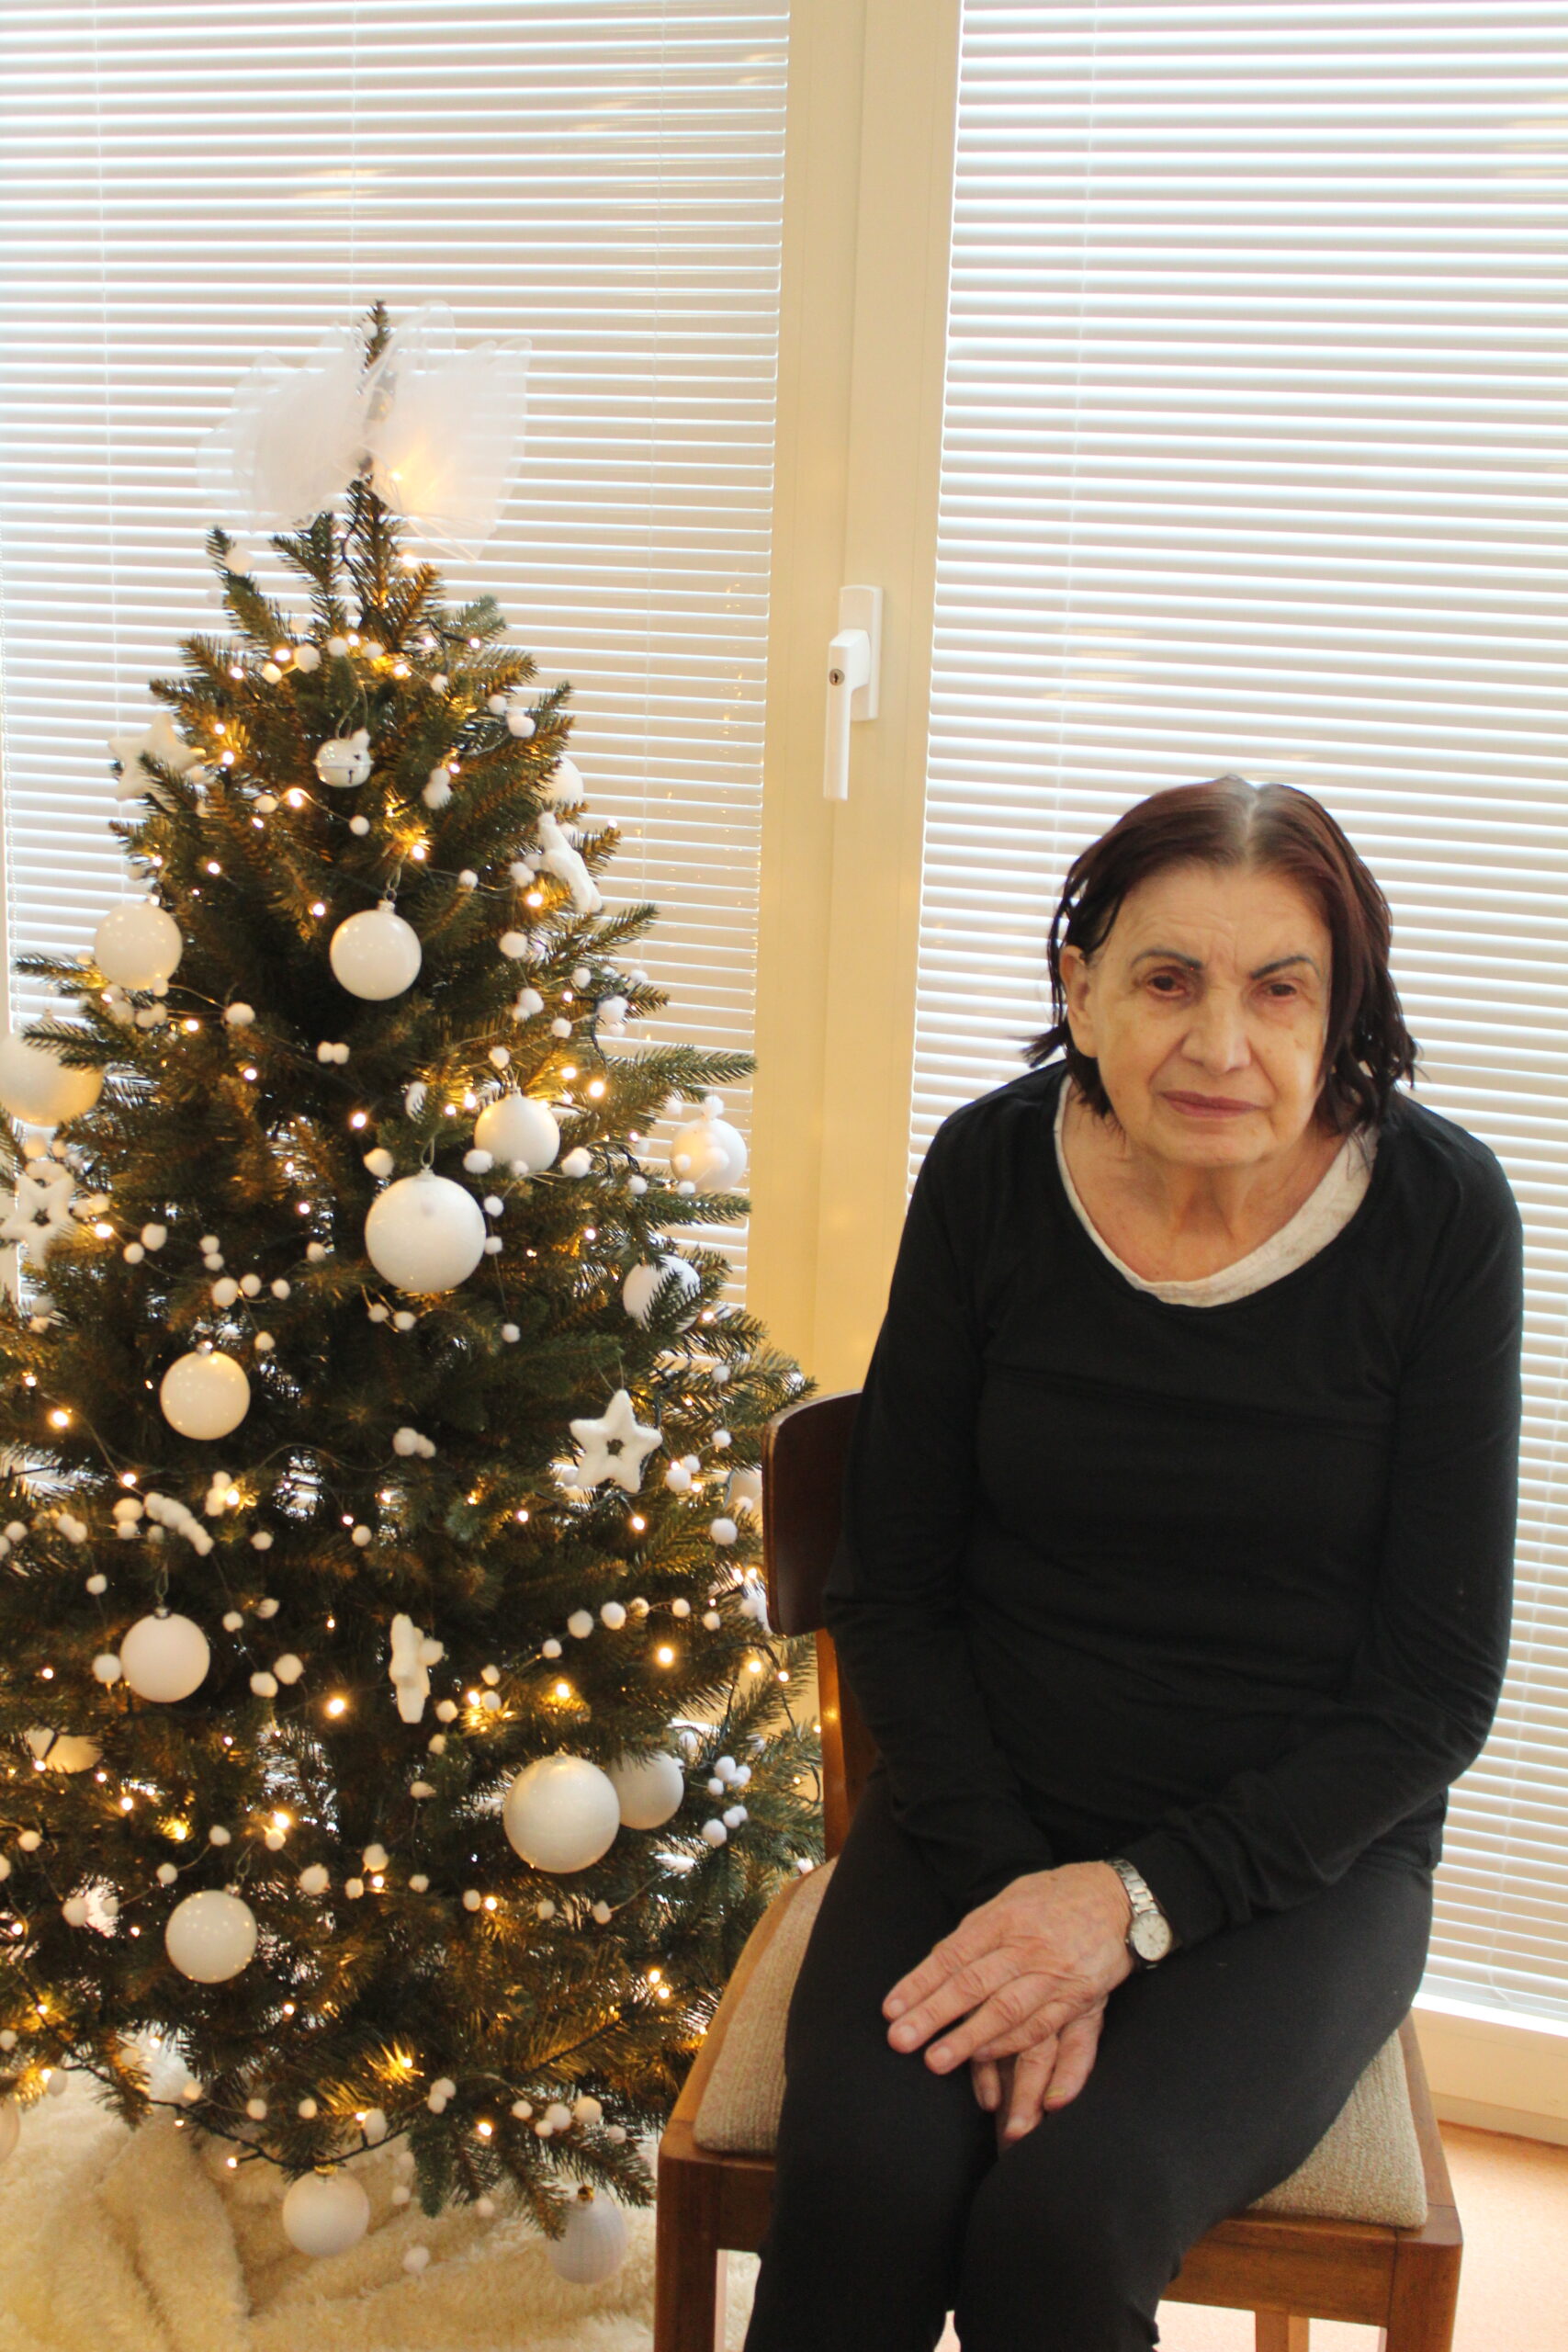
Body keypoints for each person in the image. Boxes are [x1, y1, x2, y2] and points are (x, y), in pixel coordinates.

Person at [741, 774, 1523, 2352]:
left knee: (1063, 2223)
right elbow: (893, 1585)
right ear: (1081, 989)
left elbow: (1433, 1698)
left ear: (1342, 1010)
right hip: (979, 1807)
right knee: (868, 2189)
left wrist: (1132, 1909)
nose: (1221, 1045)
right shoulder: (989, 1170)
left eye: (1279, 989)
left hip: (1298, 1862)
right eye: (1168, 981)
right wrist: (1024, 1893)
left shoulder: (1440, 1219)